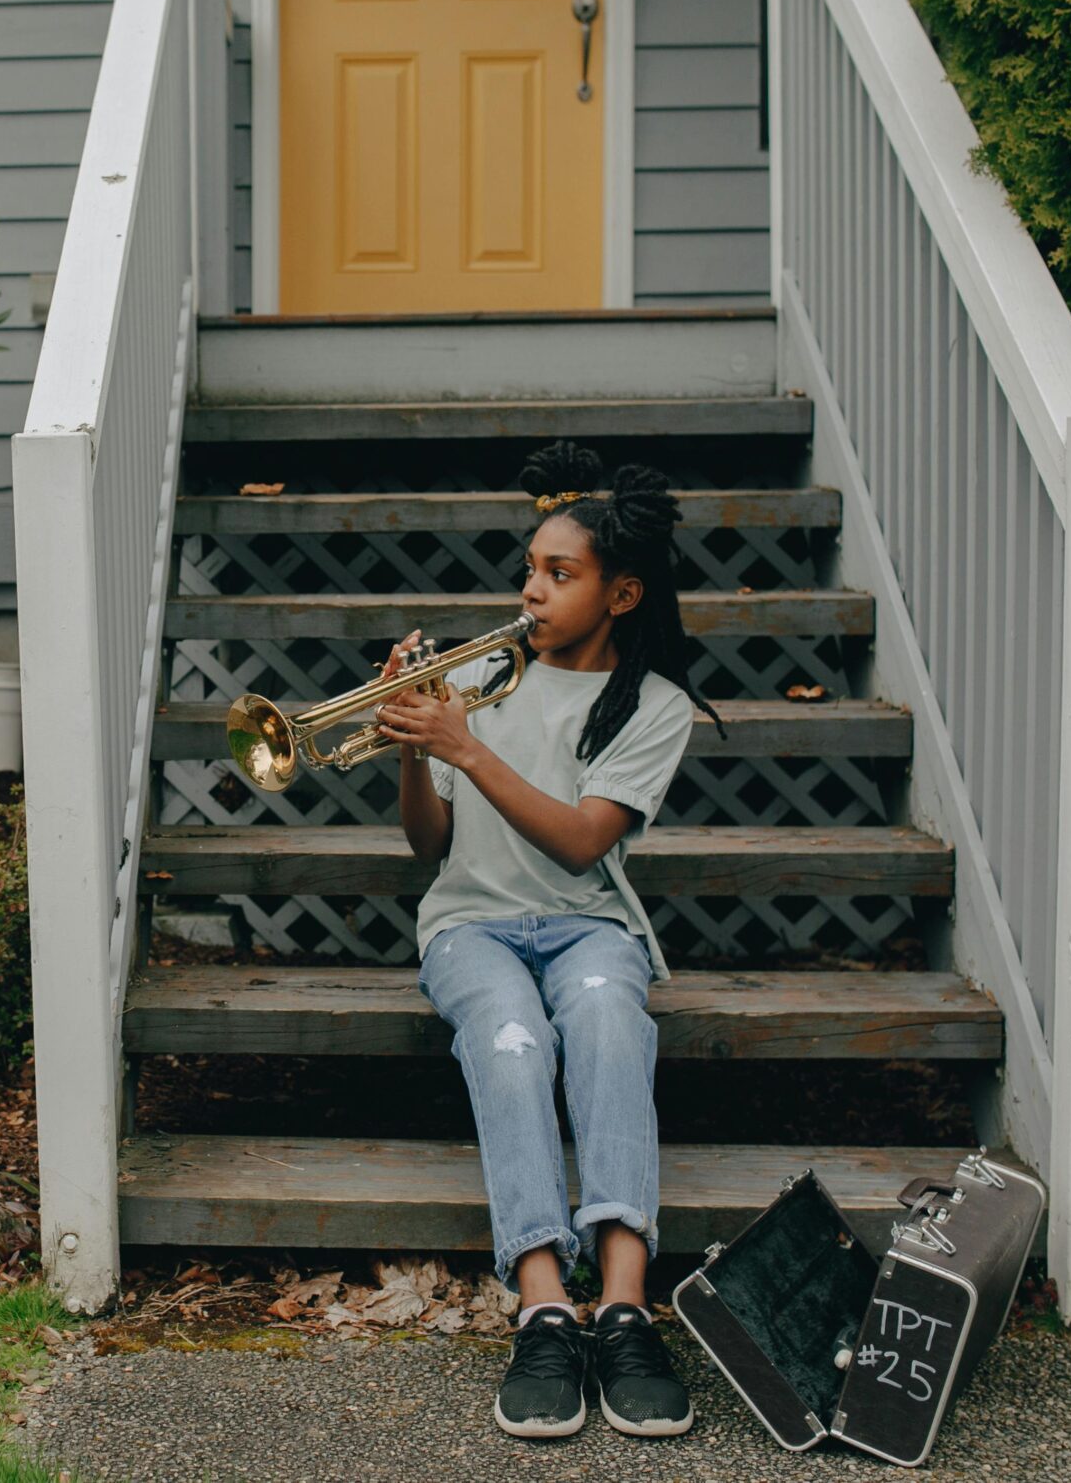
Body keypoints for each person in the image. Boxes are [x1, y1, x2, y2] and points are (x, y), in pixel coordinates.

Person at [373, 440, 722, 1441]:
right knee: (510, 1043)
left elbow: (578, 846)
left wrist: (462, 746)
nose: (530, 590)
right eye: (528, 568)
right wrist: (411, 746)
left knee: (611, 1023)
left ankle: (622, 1305)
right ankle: (541, 1308)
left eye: (558, 575)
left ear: (621, 595)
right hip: (468, 926)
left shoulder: (652, 708)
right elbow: (426, 843)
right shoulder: (482, 674)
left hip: (589, 927)